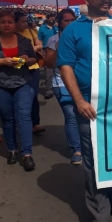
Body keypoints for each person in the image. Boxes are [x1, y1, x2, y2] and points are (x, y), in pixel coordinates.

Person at [57, 0, 112, 222]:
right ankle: (100, 216)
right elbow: (65, 66)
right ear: (87, 0)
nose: (107, 0)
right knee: (94, 162)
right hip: (91, 107)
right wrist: (78, 100)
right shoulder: (74, 31)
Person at [0, 10, 37, 171]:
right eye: (3, 22)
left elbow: (34, 58)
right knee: (7, 119)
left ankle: (27, 154)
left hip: (23, 83)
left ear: (15, 24)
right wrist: (2, 61)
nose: (7, 24)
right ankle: (12, 149)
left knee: (24, 117)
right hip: (0, 85)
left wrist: (27, 59)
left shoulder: (24, 40)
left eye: (10, 22)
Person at [44, 9, 81, 165]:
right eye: (66, 20)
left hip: (82, 83)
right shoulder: (53, 40)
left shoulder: (81, 37)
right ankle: (76, 149)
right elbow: (49, 64)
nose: (70, 23)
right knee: (71, 115)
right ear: (59, 23)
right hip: (62, 84)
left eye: (73, 20)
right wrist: (59, 47)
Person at [15, 12, 45, 134]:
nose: (25, 24)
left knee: (33, 96)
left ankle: (36, 123)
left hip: (33, 67)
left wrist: (32, 49)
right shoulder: (11, 35)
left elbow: (40, 45)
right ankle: (21, 123)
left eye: (25, 21)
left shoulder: (32, 32)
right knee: (18, 98)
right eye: (22, 21)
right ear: (15, 23)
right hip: (17, 69)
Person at [37, 13, 58, 99]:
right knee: (49, 72)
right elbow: (40, 40)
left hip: (57, 51)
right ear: (47, 18)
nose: (52, 18)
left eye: (54, 16)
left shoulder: (57, 28)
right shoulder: (42, 28)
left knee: (58, 71)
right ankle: (49, 90)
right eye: (51, 17)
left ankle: (57, 87)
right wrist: (41, 53)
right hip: (46, 51)